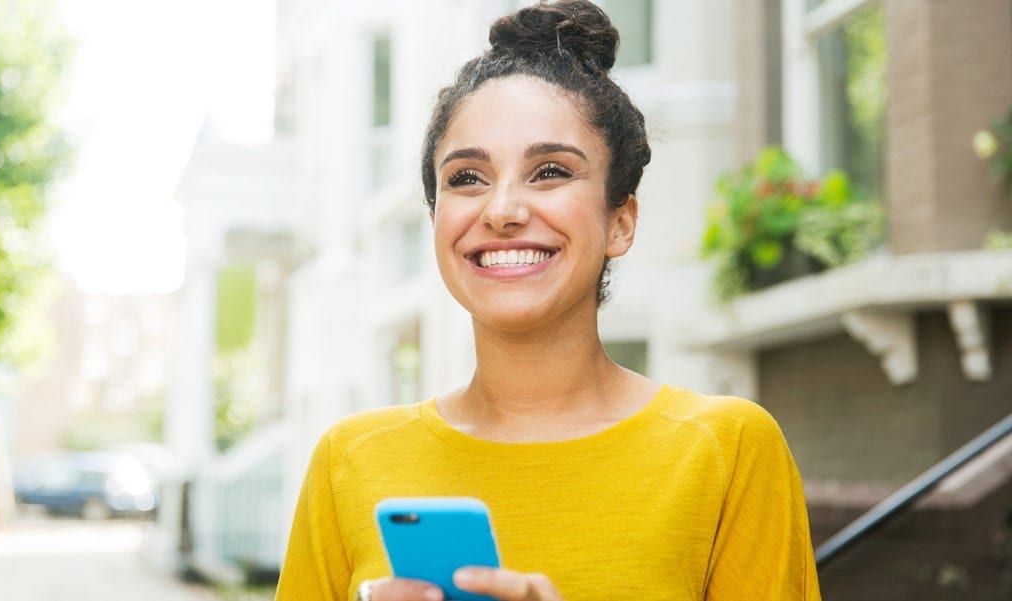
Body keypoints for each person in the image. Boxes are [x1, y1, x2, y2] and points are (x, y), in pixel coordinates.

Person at [276, 1, 821, 599]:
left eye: (551, 171)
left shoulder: (726, 449)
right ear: (436, 219)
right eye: (466, 178)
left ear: (621, 221)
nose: (503, 210)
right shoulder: (349, 461)